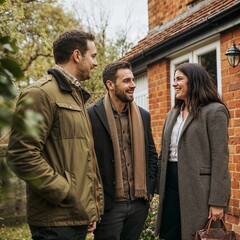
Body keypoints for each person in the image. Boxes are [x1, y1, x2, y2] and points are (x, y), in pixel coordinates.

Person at [7, 30, 104, 240]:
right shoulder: (39, 94)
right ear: (77, 56)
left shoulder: (75, 97)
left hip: (74, 216)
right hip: (55, 221)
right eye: (93, 56)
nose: (96, 63)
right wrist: (64, 192)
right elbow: (20, 155)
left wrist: (89, 208)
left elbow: (83, 158)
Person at [155, 63, 231, 240]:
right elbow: (164, 152)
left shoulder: (214, 111)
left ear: (195, 81)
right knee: (171, 234)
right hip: (171, 187)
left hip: (199, 191)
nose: (174, 84)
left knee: (196, 235)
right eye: (174, 79)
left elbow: (220, 159)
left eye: (179, 79)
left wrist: (218, 202)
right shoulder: (171, 114)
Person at [87, 61, 158, 240]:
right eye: (126, 81)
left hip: (138, 204)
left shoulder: (143, 115)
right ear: (110, 85)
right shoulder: (91, 115)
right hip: (109, 207)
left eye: (133, 80)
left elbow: (151, 155)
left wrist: (148, 191)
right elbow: (87, 160)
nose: (133, 85)